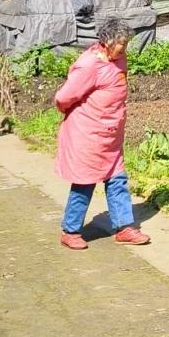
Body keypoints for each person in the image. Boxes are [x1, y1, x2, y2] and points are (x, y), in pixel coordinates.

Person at [53, 15, 150, 250]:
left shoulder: (120, 59)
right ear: (106, 41)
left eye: (126, 43)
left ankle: (124, 227)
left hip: (110, 135)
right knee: (85, 181)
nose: (125, 48)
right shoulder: (89, 65)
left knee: (117, 179)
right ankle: (71, 230)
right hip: (87, 134)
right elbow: (63, 98)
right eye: (121, 43)